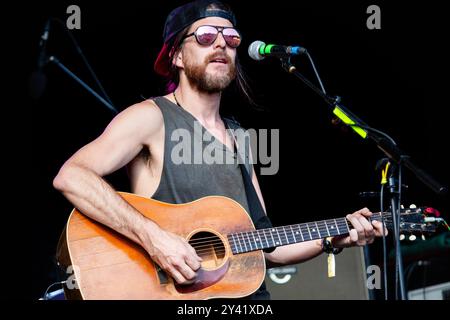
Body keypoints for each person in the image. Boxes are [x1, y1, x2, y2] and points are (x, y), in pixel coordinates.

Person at [53, 0, 386, 299]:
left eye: (231, 39)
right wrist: (154, 237)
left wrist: (335, 236)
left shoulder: (240, 139)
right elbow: (72, 176)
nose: (221, 46)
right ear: (177, 56)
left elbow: (265, 246)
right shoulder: (151, 117)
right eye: (205, 36)